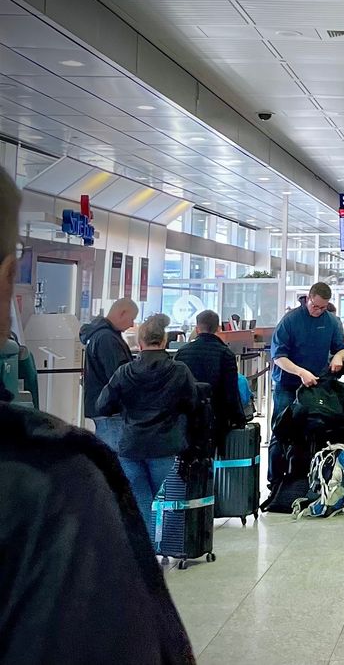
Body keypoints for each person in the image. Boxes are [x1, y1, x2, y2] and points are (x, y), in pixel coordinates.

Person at [0, 169, 194, 663]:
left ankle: (154, 546)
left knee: (138, 488)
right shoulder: (48, 485)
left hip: (126, 434)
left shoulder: (96, 340)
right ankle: (158, 547)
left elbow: (108, 393)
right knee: (150, 493)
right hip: (149, 437)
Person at [95, 314, 198, 544]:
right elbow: (192, 403)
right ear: (164, 342)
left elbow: (102, 404)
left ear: (139, 343)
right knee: (167, 501)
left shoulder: (124, 372)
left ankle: (146, 553)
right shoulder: (179, 371)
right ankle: (166, 545)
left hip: (131, 446)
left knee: (141, 503)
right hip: (165, 445)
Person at [269, 282, 344, 432]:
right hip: (288, 385)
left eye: (323, 307)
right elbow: (278, 356)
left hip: (316, 386)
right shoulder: (290, 320)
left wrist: (338, 357)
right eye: (315, 306)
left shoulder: (331, 321)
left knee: (312, 430)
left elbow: (341, 348)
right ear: (308, 299)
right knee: (282, 430)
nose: (318, 311)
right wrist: (301, 372)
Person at [175, 309, 245, 439]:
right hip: (216, 416)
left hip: (188, 416)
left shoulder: (182, 352)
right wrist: (237, 417)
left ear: (197, 329)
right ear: (218, 329)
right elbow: (231, 391)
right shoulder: (225, 353)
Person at [80, 297, 137, 450]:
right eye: (132, 319)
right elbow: (118, 375)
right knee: (114, 457)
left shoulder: (97, 335)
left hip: (101, 406)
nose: (132, 324)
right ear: (122, 313)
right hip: (110, 410)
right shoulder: (107, 338)